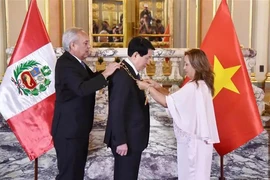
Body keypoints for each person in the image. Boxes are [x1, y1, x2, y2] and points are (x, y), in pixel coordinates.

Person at [137, 49, 220, 180]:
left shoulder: (194, 86)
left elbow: (166, 102)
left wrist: (147, 87)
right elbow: (175, 99)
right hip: (199, 144)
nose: (184, 68)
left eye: (186, 64)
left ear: (196, 65)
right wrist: (158, 87)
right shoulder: (202, 85)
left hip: (193, 145)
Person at [51, 27, 120, 180]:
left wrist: (112, 73)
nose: (89, 47)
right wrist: (105, 73)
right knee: (69, 174)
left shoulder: (77, 63)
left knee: (76, 173)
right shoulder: (66, 64)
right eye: (86, 43)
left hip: (77, 130)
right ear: (73, 46)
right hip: (68, 132)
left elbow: (91, 80)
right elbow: (81, 89)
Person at [104, 37, 155, 180]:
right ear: (135, 55)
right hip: (126, 141)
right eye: (147, 58)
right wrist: (120, 141)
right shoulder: (122, 76)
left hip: (133, 139)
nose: (149, 62)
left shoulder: (130, 73)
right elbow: (117, 110)